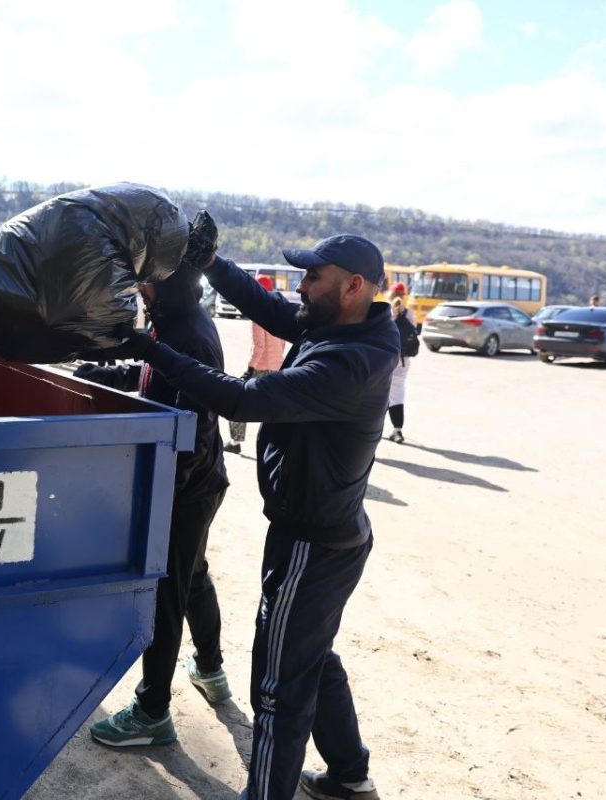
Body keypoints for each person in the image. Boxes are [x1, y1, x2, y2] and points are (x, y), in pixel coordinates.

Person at [114, 219, 398, 800]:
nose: (301, 287)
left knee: (277, 689)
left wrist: (150, 349)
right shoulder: (341, 325)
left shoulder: (349, 362)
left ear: (353, 287)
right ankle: (350, 774)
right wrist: (213, 263)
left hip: (311, 543)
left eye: (313, 277)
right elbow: (268, 308)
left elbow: (242, 399)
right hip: (326, 531)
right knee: (311, 657)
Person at [75, 258, 232, 747]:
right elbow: (152, 373)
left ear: (172, 284)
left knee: (167, 593)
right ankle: (211, 668)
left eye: (149, 282)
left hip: (187, 488)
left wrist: (163, 494)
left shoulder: (192, 336)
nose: (142, 290)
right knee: (193, 575)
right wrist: (106, 375)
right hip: (198, 483)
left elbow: (195, 430)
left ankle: (152, 711)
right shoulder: (174, 324)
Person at [227, 273, 286, 454]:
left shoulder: (258, 316)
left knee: (236, 402)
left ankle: (235, 442)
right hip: (277, 368)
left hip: (260, 369)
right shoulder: (278, 314)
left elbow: (259, 346)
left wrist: (250, 368)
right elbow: (283, 343)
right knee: (272, 411)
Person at [387, 283, 418, 444]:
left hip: (385, 358)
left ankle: (372, 429)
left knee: (378, 392)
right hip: (403, 360)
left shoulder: (385, 311)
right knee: (397, 394)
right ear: (404, 296)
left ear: (390, 294)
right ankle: (397, 430)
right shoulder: (409, 313)